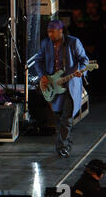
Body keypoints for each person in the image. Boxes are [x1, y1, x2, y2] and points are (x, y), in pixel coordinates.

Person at [34, 20, 89, 158]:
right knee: (59, 116)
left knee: (66, 117)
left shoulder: (73, 42)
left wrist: (81, 71)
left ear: (61, 31)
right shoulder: (46, 44)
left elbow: (84, 60)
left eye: (53, 31)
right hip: (53, 85)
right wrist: (43, 76)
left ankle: (62, 147)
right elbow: (38, 61)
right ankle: (67, 140)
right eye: (48, 32)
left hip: (70, 85)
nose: (50, 34)